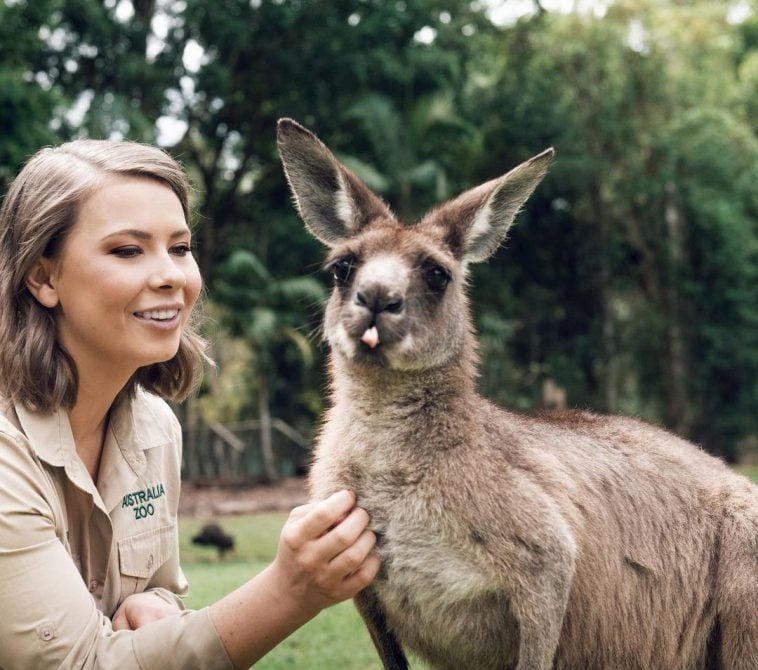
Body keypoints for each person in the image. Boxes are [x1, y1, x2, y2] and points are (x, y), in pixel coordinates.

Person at [0, 139, 380, 669]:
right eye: (127, 250)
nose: (172, 276)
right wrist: (289, 592)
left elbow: (160, 595)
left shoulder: (154, 429)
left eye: (180, 248)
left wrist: (152, 605)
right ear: (43, 277)